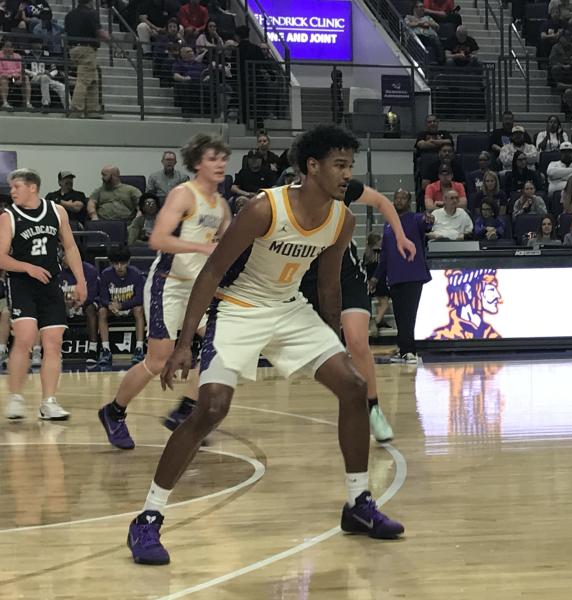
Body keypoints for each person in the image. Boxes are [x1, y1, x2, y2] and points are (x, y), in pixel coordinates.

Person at [127, 125, 405, 566]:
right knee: (211, 408)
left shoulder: (342, 218)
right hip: (238, 308)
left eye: (350, 166)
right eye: (339, 165)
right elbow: (213, 271)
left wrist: (334, 340)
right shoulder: (264, 208)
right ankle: (148, 518)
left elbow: (330, 287)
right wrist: (184, 344)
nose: (346, 175)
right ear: (312, 166)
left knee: (353, 388)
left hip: (289, 309)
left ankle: (358, 505)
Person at [97, 134, 232, 451]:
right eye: (213, 158)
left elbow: (229, 248)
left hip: (199, 289)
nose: (221, 163)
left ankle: (185, 412)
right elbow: (157, 239)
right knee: (158, 360)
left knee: (222, 351)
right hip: (168, 284)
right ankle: (113, 412)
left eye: (223, 158)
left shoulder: (222, 205)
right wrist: (202, 246)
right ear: (198, 162)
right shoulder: (182, 195)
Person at [295, 149, 417, 443]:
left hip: (347, 276)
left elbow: (381, 201)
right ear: (307, 170)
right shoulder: (287, 200)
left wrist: (400, 235)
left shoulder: (343, 191)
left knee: (358, 340)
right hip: (306, 279)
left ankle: (373, 409)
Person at [1, 169, 87, 421]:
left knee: (53, 343)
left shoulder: (57, 212)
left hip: (50, 283)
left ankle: (48, 401)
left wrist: (81, 281)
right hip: (21, 283)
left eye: (16, 186)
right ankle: (16, 397)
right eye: (11, 187)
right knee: (25, 338)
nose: (12, 191)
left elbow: (70, 247)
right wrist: (27, 267)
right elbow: (1, 256)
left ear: (32, 187)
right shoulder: (8, 217)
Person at [371, 189, 430, 364]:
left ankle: (410, 351)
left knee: (409, 314)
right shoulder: (388, 224)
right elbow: (385, 255)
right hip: (395, 276)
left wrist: (429, 220)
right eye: (396, 197)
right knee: (399, 316)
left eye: (403, 197)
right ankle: (403, 349)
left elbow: (426, 224)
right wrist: (375, 277)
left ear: (410, 200)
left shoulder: (416, 218)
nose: (399, 200)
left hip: (412, 274)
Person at [98, 246, 146, 364]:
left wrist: (121, 306)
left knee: (139, 309)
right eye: (116, 263)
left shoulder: (136, 274)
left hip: (129, 307)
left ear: (128, 262)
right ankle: (105, 350)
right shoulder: (105, 274)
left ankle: (139, 348)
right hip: (112, 308)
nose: (119, 267)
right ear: (111, 263)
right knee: (101, 311)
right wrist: (109, 305)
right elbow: (102, 298)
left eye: (123, 263)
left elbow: (139, 299)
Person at [63, 0, 106, 118]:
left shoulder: (70, 15)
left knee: (93, 78)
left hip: (73, 49)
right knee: (84, 80)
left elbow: (66, 32)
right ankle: (76, 110)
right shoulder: (91, 13)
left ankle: (92, 110)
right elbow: (100, 32)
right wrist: (113, 42)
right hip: (87, 49)